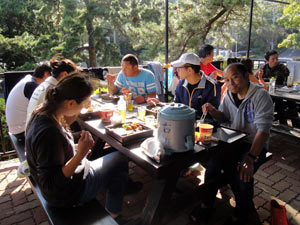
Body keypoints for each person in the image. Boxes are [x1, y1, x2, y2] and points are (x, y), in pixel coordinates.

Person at [25, 74, 129, 222]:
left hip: (70, 182)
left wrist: (70, 148)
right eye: (84, 104)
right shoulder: (49, 132)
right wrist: (79, 154)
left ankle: (119, 191)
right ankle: (114, 214)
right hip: (67, 195)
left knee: (116, 165)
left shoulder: (42, 111)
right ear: (71, 103)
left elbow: (50, 155)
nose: (82, 109)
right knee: (120, 159)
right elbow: (51, 184)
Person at [190, 63, 274, 225]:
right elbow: (224, 117)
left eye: (234, 77)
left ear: (246, 75)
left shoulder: (260, 96)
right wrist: (214, 111)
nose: (230, 83)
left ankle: (243, 214)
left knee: (241, 174)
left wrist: (249, 159)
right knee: (213, 166)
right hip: (232, 141)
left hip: (253, 144)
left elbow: (263, 131)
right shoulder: (229, 94)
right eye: (226, 80)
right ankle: (207, 205)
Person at [5, 62, 51, 142]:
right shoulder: (31, 85)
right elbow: (43, 109)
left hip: (16, 129)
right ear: (46, 74)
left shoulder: (28, 81)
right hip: (21, 131)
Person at [27, 55, 77, 124]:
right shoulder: (53, 90)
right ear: (64, 74)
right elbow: (66, 120)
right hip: (39, 131)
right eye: (72, 78)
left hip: (32, 129)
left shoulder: (44, 85)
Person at [171, 52, 221, 118]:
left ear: (189, 70)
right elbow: (176, 106)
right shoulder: (181, 84)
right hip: (183, 124)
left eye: (179, 68)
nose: (177, 70)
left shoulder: (212, 86)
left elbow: (214, 116)